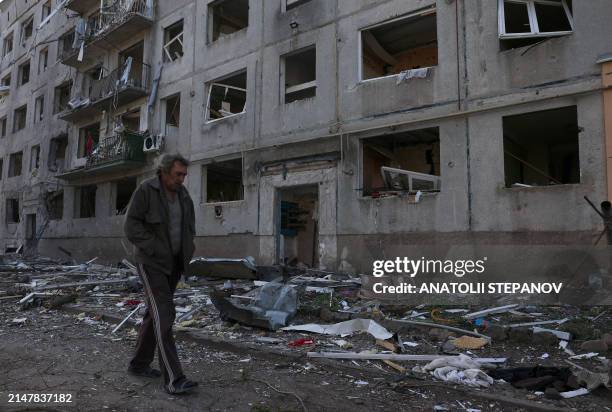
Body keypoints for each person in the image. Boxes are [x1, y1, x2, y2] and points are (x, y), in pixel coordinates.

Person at [124, 153, 197, 394]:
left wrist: (188, 251)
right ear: (164, 172)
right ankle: (174, 379)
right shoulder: (146, 191)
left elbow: (189, 228)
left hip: (174, 265)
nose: (181, 179)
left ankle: (138, 364)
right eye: (178, 174)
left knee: (153, 314)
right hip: (151, 263)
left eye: (184, 175)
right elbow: (131, 226)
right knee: (164, 314)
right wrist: (154, 248)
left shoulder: (184, 196)